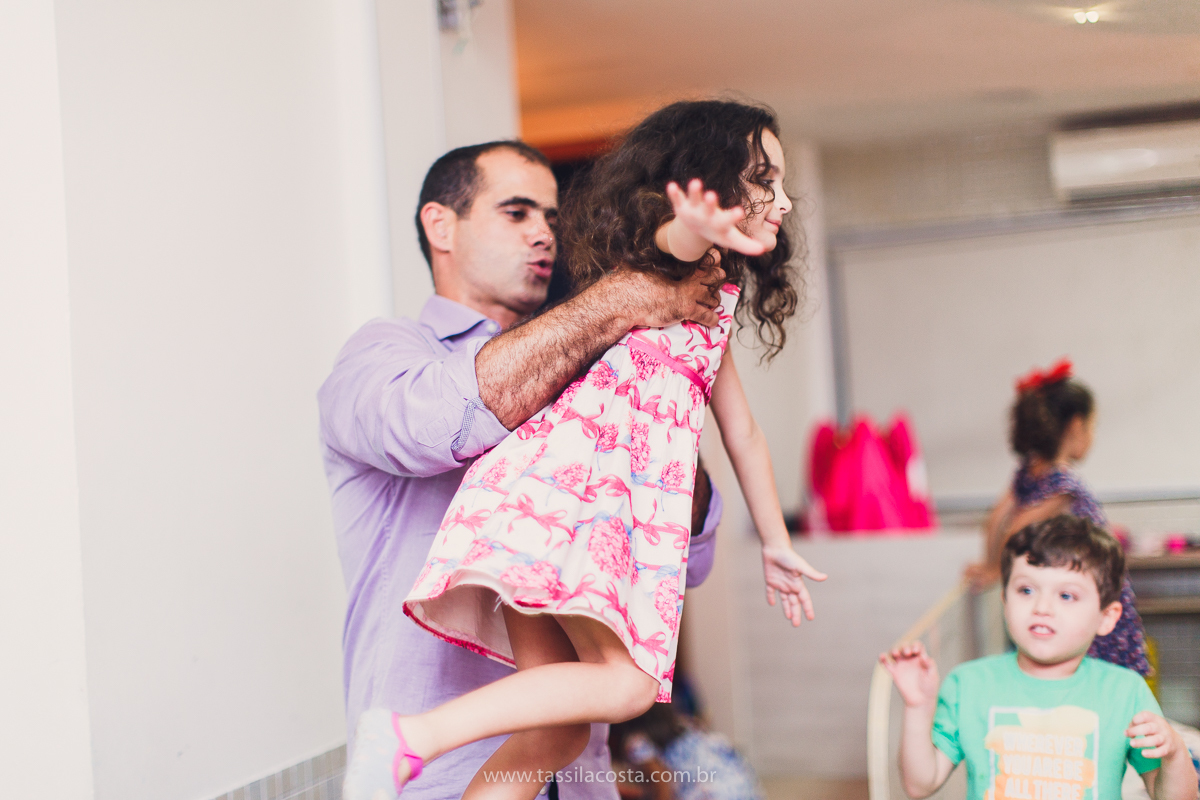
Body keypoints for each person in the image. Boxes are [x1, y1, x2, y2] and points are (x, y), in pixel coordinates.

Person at [342, 100, 827, 799]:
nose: (545, 232)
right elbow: (426, 426)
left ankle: (409, 744)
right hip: (544, 519)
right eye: (517, 213)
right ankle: (411, 739)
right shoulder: (390, 355)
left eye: (550, 215)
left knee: (563, 728)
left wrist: (774, 539)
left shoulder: (654, 323)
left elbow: (712, 492)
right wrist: (694, 225)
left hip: (540, 547)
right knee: (632, 685)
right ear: (439, 226)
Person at [883, 516, 1198, 800]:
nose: (1042, 607)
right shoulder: (968, 684)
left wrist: (1173, 754)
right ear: (1005, 598)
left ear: (1106, 616)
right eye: (1026, 590)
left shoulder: (1125, 691)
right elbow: (920, 785)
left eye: (1066, 595)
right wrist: (918, 707)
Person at [968, 358, 1150, 676]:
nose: (1092, 435)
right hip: (1085, 589)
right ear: (1076, 427)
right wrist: (996, 569)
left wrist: (988, 562)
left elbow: (996, 520)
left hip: (1068, 581)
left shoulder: (1027, 472)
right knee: (1100, 672)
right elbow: (1017, 526)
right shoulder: (1064, 484)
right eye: (1092, 427)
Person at [609, 703, 765, 800]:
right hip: (742, 787)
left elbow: (663, 786)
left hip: (708, 794)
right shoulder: (686, 724)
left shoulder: (638, 742)